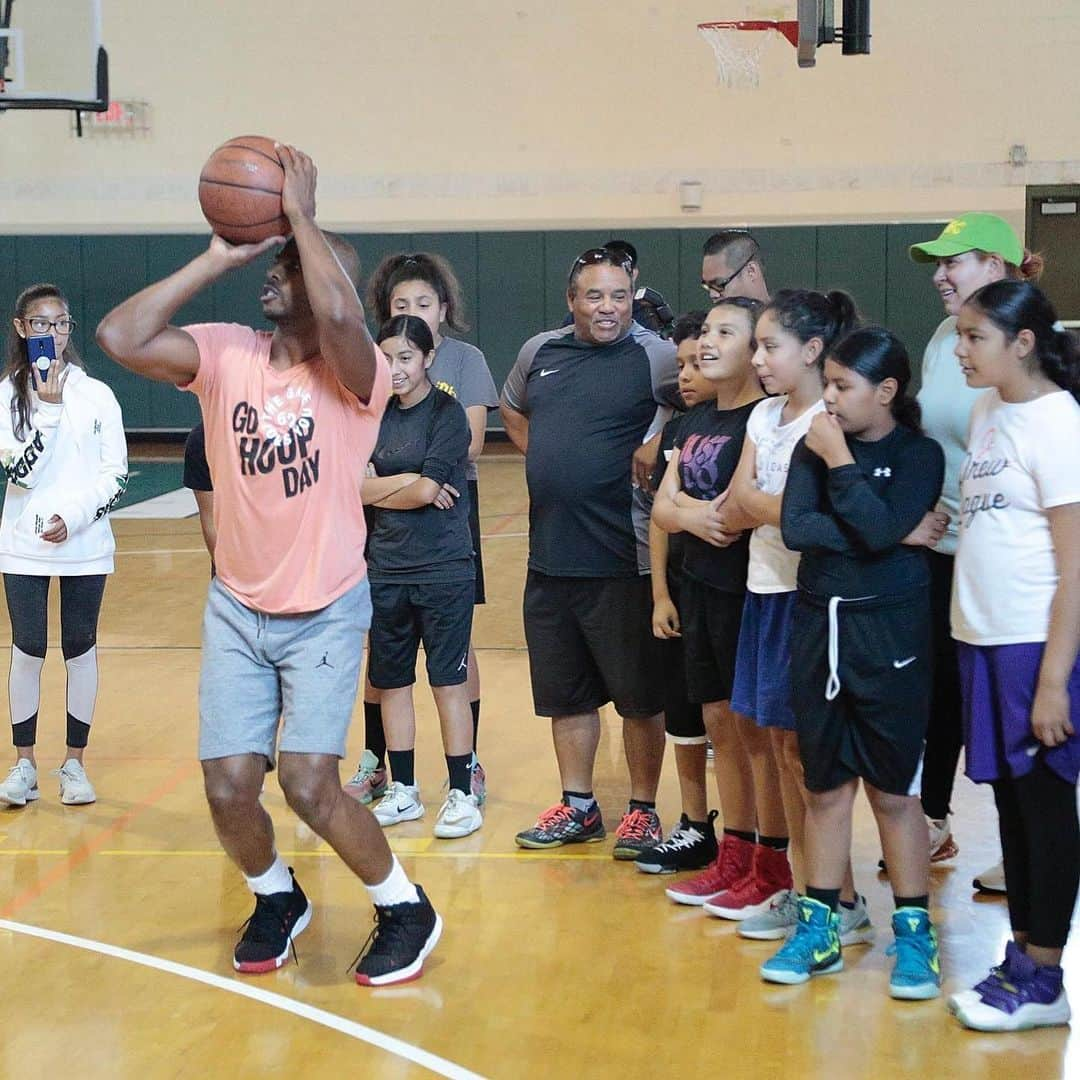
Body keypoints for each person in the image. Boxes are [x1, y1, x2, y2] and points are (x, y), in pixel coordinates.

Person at [95, 144, 441, 987]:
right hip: (237, 608)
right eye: (275, 262)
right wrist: (220, 253)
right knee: (225, 788)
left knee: (310, 783)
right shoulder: (225, 354)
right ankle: (276, 894)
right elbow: (119, 335)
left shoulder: (358, 376)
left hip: (324, 607)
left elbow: (343, 315)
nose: (272, 275)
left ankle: (405, 906)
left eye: (286, 265)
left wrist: (301, 218)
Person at [762, 327, 945, 1000]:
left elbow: (870, 528)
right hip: (820, 629)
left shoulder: (918, 454)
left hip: (890, 636)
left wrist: (845, 470)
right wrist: (891, 530)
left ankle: (914, 935)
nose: (829, 399)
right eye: (828, 385)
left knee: (894, 794)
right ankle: (823, 925)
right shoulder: (816, 443)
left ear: (886, 391)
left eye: (842, 387)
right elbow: (797, 528)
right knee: (824, 787)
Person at [500, 246, 679, 858]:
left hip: (623, 557)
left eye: (620, 296)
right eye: (595, 296)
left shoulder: (655, 356)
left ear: (634, 298)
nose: (608, 308)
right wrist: (547, 457)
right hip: (550, 555)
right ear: (572, 300)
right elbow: (512, 407)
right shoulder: (539, 353)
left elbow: (699, 404)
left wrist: (659, 442)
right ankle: (578, 806)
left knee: (639, 697)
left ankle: (643, 810)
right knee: (566, 695)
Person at [721, 290, 873, 947]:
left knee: (810, 755)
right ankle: (808, 890)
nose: (757, 358)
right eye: (755, 345)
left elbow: (802, 517)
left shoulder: (828, 419)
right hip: (763, 591)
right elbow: (736, 505)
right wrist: (768, 503)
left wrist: (769, 504)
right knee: (779, 746)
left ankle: (839, 899)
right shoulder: (761, 419)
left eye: (769, 346)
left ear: (813, 351)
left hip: (810, 601)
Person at [947, 281, 1080, 1032]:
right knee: (1010, 806)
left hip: (1036, 646)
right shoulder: (987, 409)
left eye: (975, 337)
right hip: (984, 641)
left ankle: (1048, 976)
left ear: (1022, 342)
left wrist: (1055, 680)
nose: (960, 350)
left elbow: (1076, 565)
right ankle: (1024, 955)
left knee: (1044, 806)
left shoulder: (1059, 424)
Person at [908, 213, 1045, 891]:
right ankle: (932, 820)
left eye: (951, 262)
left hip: (1008, 560)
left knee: (1004, 699)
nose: (939, 275)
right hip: (944, 550)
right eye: (936, 264)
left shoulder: (1030, 351)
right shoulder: (943, 337)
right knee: (938, 692)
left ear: (996, 263)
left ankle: (1026, 845)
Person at [346, 251, 497, 808]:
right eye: (401, 303)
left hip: (447, 528)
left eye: (424, 302)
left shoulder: (461, 370)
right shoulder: (374, 385)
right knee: (386, 656)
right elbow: (351, 478)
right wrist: (402, 483)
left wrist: (411, 480)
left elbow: (459, 457)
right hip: (387, 541)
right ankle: (382, 765)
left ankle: (465, 769)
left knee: (450, 655)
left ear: (443, 311)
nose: (413, 310)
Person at [651, 297, 779, 910]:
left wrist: (689, 514)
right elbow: (660, 508)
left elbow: (734, 511)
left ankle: (769, 862)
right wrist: (688, 515)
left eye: (725, 332)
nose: (706, 341)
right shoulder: (689, 421)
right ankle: (733, 854)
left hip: (743, 592)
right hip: (697, 587)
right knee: (718, 727)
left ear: (755, 350)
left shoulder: (764, 419)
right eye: (705, 329)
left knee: (754, 732)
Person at [0, 283, 127, 809]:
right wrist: (46, 410)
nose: (52, 333)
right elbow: (20, 473)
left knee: (81, 648)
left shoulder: (97, 395)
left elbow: (115, 476)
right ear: (21, 329)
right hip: (22, 547)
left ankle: (74, 764)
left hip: (84, 547)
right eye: (41, 323)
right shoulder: (8, 396)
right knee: (28, 648)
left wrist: (73, 519)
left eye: (61, 323)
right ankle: (23, 764)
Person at [363, 315, 481, 839]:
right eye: (386, 358)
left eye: (405, 358)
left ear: (428, 359)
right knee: (390, 682)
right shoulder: (372, 415)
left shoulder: (448, 413)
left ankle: (459, 791)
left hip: (443, 570)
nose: (395, 369)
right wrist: (409, 484)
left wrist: (394, 485)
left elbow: (426, 487)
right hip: (384, 568)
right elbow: (352, 486)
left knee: (447, 681)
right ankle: (404, 790)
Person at [634, 311, 721, 873]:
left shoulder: (749, 424)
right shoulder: (682, 430)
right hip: (682, 592)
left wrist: (685, 512)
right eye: (681, 363)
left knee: (727, 720)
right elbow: (661, 518)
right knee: (681, 711)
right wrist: (661, 593)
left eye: (698, 363)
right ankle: (694, 822)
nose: (684, 375)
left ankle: (747, 833)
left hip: (727, 591)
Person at [701, 230, 771, 305]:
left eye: (719, 284)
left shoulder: (783, 315)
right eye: (708, 286)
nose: (713, 295)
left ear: (751, 271)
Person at [183, 420, 215, 567]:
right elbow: (211, 518)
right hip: (235, 559)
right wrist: (224, 572)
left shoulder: (284, 432)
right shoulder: (202, 439)